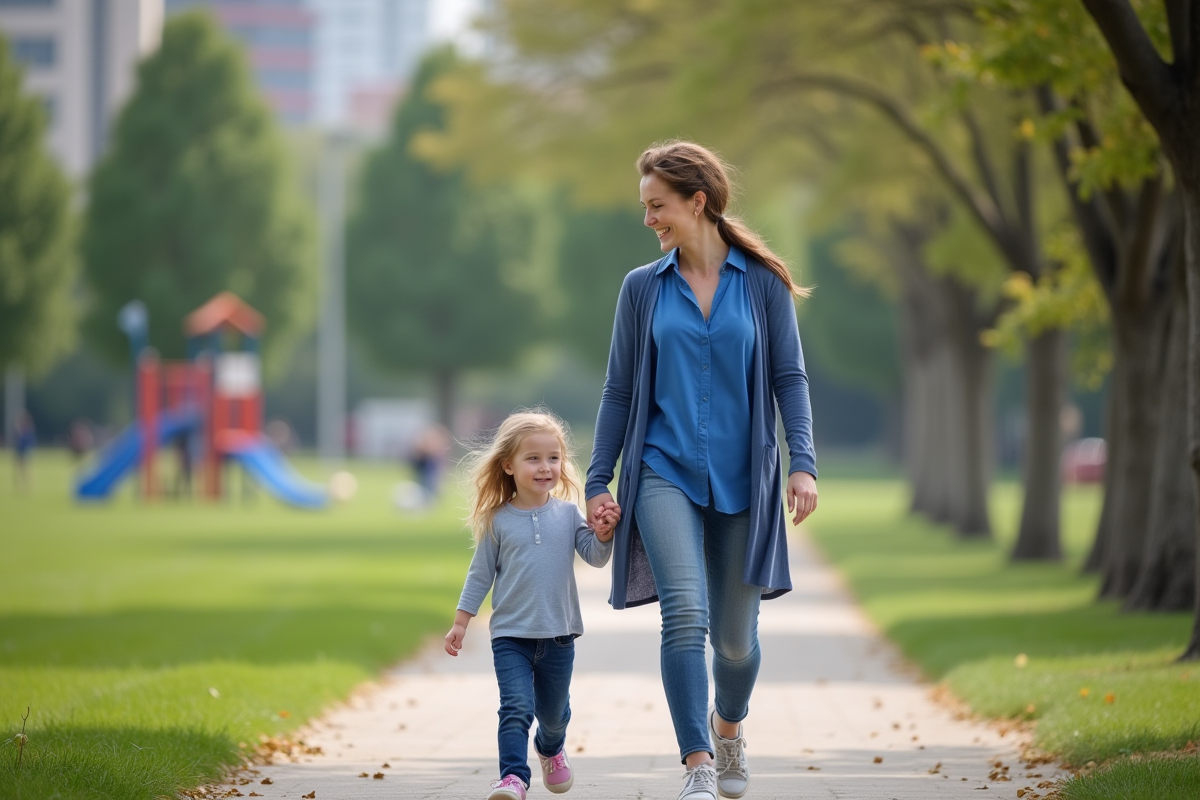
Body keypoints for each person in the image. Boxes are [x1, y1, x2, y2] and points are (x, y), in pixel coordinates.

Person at [585, 141, 818, 800]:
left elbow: (788, 377)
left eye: (657, 206)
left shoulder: (764, 285)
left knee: (736, 645)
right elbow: (619, 391)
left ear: (698, 201)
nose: (648, 219)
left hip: (746, 478)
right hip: (664, 471)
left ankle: (728, 726)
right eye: (645, 207)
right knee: (684, 615)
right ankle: (696, 763)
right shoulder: (641, 290)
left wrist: (803, 463)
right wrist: (600, 479)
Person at [445, 409, 620, 800]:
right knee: (516, 707)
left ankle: (550, 747)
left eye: (553, 458)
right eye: (533, 458)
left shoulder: (569, 513)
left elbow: (593, 556)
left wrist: (604, 533)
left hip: (559, 634)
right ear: (508, 465)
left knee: (555, 716)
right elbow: (480, 575)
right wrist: (461, 622)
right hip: (511, 635)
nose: (546, 467)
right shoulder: (497, 521)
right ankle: (513, 778)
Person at [13, 411, 36, 492]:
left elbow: (29, 441)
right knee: (20, 470)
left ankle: (26, 487)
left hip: (24, 451)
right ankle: (21, 487)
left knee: (25, 469)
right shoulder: (22, 430)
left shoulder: (27, 430)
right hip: (20, 450)